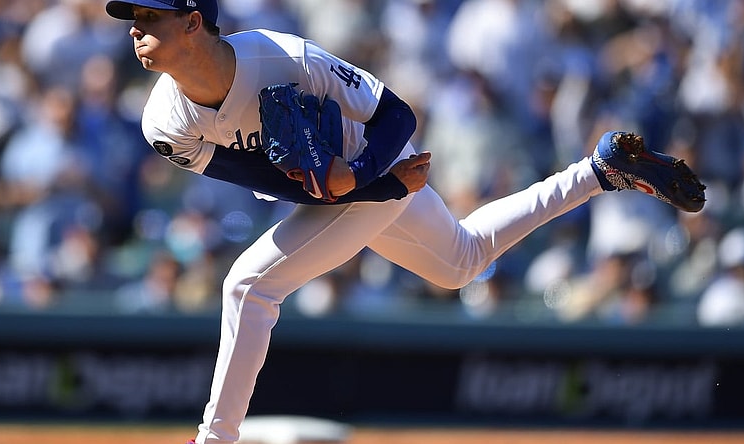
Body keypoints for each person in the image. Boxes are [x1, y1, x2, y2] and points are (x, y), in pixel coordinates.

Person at [103, 1, 706, 443]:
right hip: (363, 185)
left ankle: (214, 441)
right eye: (131, 15)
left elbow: (396, 113)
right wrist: (374, 186)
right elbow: (265, 181)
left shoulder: (281, 56)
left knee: (247, 284)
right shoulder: (163, 123)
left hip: (372, 161)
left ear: (192, 21)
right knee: (461, 262)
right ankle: (599, 172)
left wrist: (365, 174)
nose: (135, 27)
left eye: (150, 15)